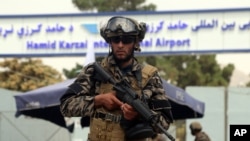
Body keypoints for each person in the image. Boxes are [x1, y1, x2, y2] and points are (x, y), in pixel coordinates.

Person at [60, 16, 174, 141]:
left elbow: (164, 124)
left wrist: (139, 115)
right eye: (115, 39)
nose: (120, 45)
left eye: (126, 40)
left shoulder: (150, 76)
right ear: (110, 42)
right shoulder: (93, 71)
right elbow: (66, 106)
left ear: (136, 42)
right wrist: (99, 100)